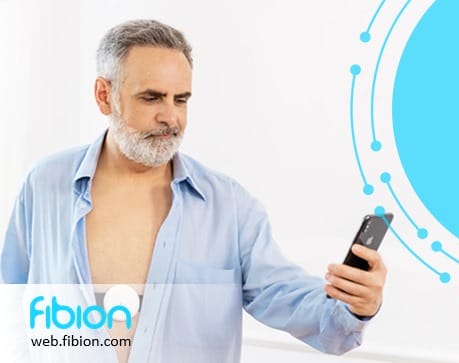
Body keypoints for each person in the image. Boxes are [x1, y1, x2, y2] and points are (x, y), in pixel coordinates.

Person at [0, 19, 387, 362]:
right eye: (151, 98)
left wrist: (353, 305)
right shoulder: (44, 185)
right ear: (105, 95)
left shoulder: (229, 207)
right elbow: (12, 302)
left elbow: (287, 296)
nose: (171, 117)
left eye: (181, 99)